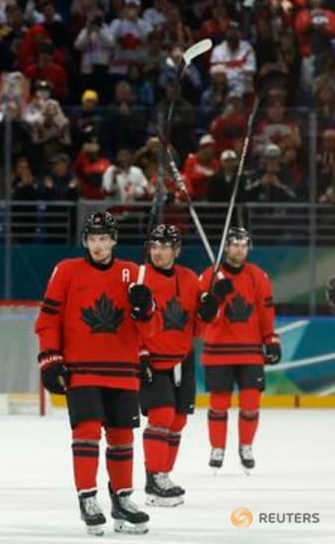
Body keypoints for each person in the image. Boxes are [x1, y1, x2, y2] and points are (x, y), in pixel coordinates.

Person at [34, 211, 156, 535]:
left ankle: (123, 498)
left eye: (104, 238)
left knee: (121, 436)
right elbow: (48, 320)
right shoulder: (67, 271)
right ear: (85, 241)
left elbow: (150, 330)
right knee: (86, 432)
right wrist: (50, 358)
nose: (98, 245)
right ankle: (88, 498)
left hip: (122, 369)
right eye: (93, 239)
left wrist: (147, 309)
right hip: (82, 369)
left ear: (114, 240)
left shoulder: (134, 272)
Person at [196, 227, 278, 474]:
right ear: (226, 247)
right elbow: (203, 320)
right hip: (217, 350)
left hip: (250, 350)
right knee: (218, 404)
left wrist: (271, 339)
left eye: (244, 245)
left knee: (251, 403)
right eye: (235, 244)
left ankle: (246, 446)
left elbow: (266, 313)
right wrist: (216, 298)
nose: (239, 249)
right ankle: (217, 448)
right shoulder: (209, 277)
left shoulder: (258, 276)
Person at [136, 225, 200, 507]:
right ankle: (154, 478)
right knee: (161, 416)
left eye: (164, 246)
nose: (157, 252)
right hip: (152, 359)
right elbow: (128, 323)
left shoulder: (189, 279)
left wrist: (212, 310)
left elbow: (200, 328)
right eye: (154, 246)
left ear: (177, 250)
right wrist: (139, 353)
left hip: (182, 359)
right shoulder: (140, 278)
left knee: (178, 420)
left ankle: (164, 476)